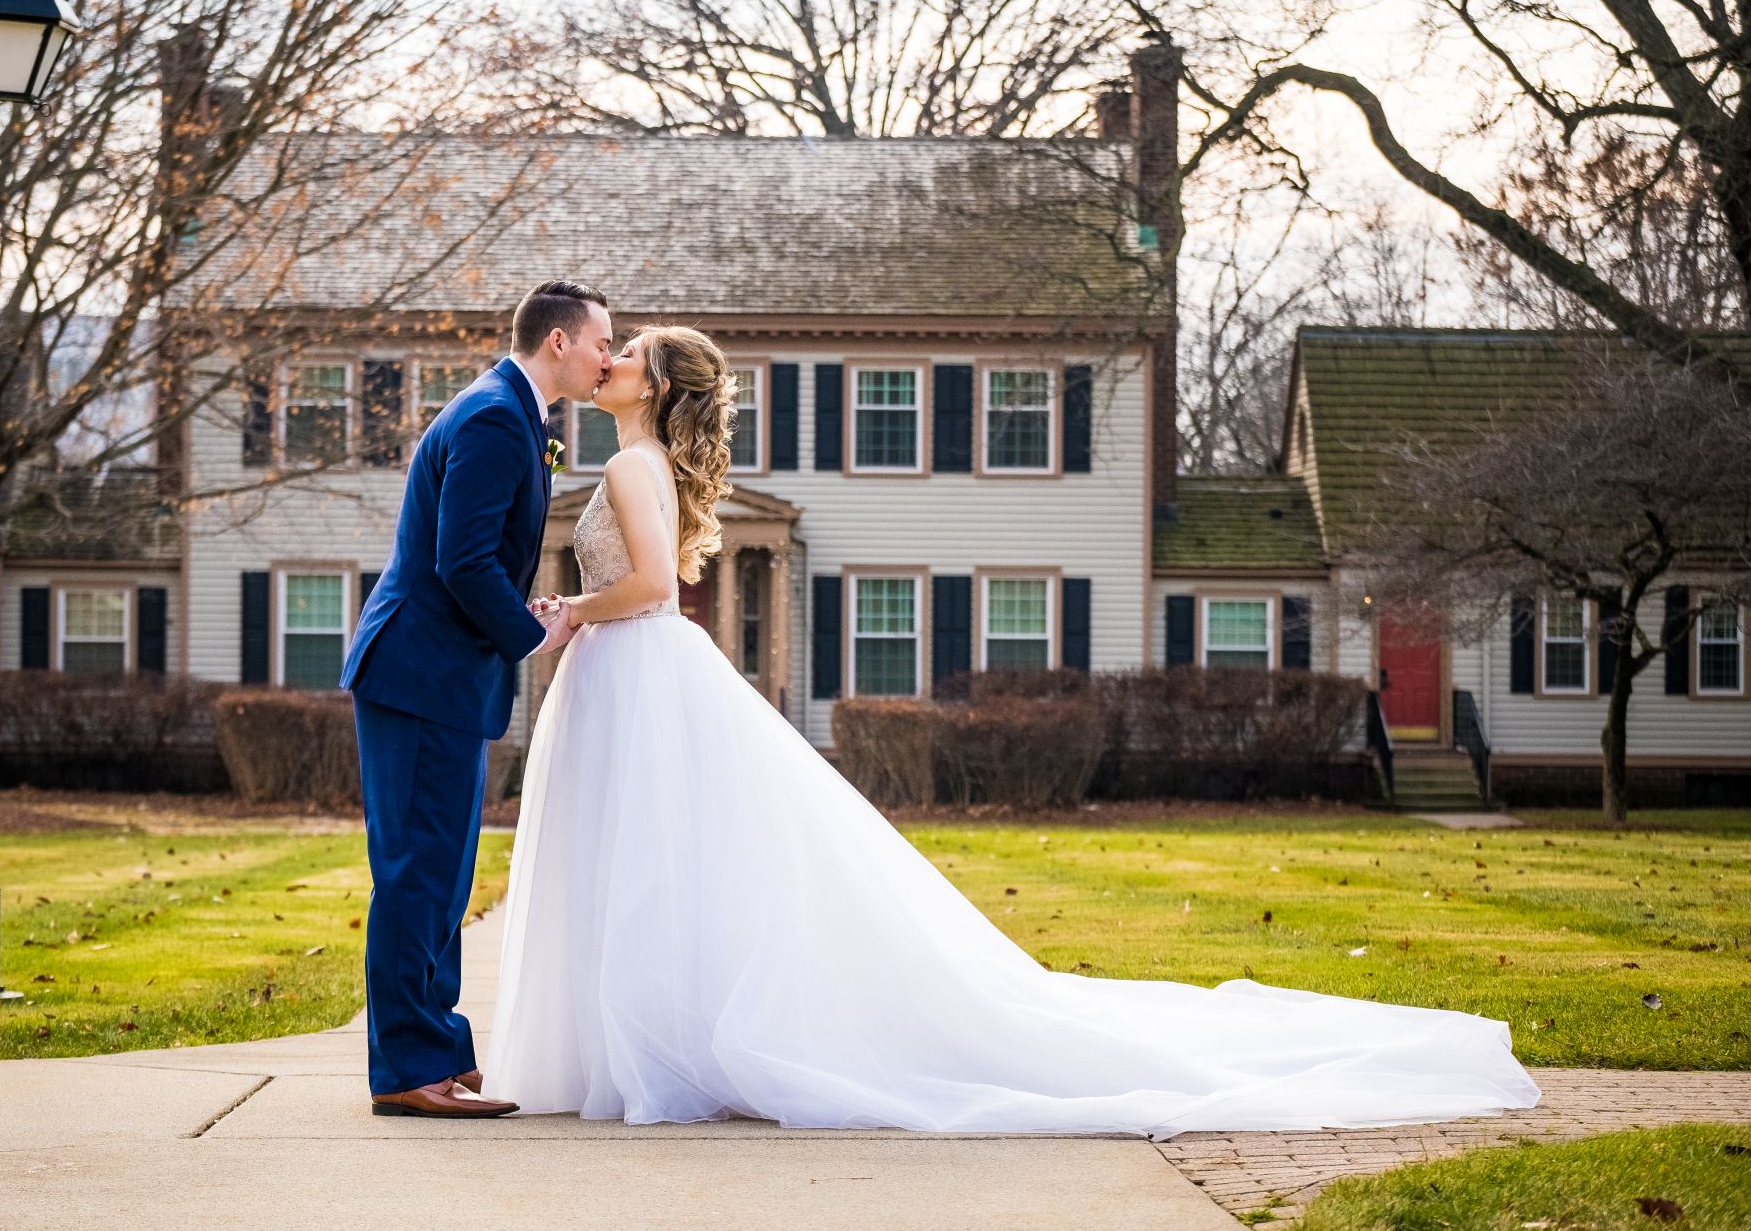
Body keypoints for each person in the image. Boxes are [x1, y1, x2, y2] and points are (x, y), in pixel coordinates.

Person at [483, 324, 1542, 1137]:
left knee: (642, 861)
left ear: (658, 390)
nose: (611, 359)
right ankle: (643, 1050)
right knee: (656, 863)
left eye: (630, 356)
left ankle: (640, 1054)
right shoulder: (645, 467)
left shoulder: (630, 466)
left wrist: (572, 612)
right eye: (613, 351)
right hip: (640, 674)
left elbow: (657, 587)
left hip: (635, 663)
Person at [340, 279, 611, 1118]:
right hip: (421, 676)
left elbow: (474, 556)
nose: (609, 356)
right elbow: (461, 562)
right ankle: (407, 1071)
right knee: (419, 874)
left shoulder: (511, 415)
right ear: (559, 342)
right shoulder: (496, 416)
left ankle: (439, 1054)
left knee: (443, 875)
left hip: (437, 677)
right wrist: (534, 634)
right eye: (603, 340)